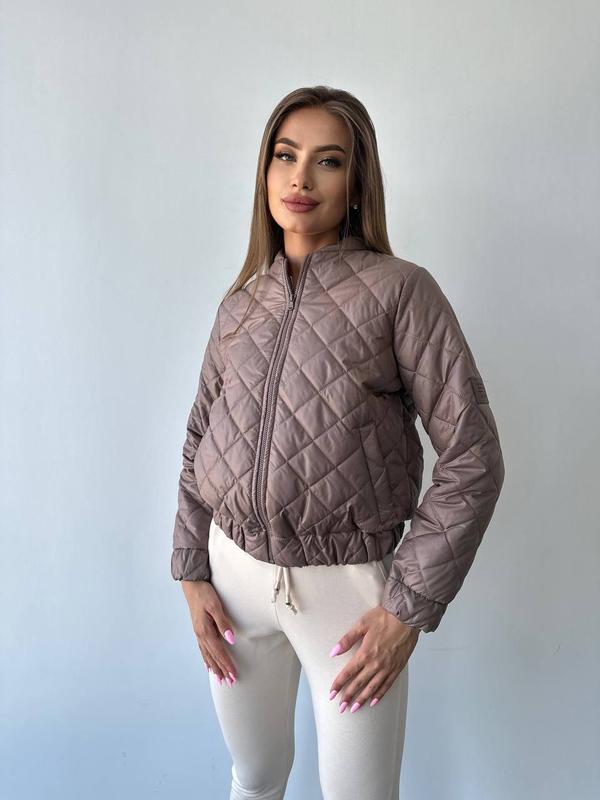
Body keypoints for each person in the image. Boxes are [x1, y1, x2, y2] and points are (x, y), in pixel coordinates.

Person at [170, 85, 505, 800]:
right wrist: (192, 571)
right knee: (255, 779)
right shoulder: (240, 305)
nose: (300, 178)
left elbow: (473, 455)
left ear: (356, 184)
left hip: (346, 597)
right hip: (233, 587)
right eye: (285, 156)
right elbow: (200, 437)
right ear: (264, 170)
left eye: (327, 161)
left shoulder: (401, 292)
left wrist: (408, 606)